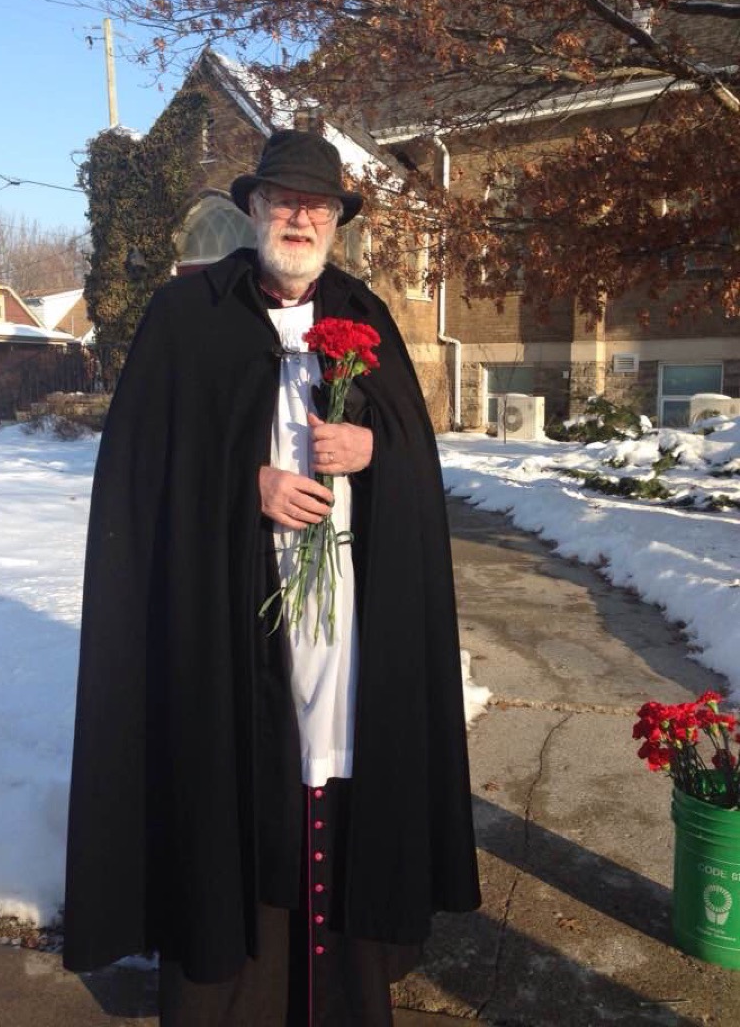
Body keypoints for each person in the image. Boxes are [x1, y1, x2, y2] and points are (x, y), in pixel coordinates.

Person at [63, 129, 480, 1026]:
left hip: (347, 620)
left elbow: (416, 465)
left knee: (338, 766)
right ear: (251, 210)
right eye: (283, 200)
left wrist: (376, 446)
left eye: (317, 204)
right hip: (225, 617)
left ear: (336, 220)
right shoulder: (187, 318)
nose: (300, 216)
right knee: (235, 779)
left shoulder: (366, 316)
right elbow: (139, 472)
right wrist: (240, 484)